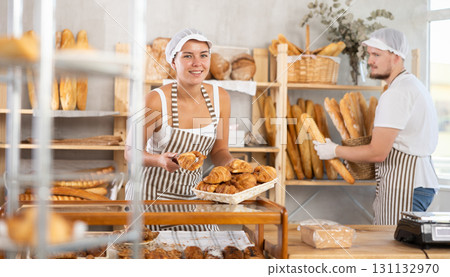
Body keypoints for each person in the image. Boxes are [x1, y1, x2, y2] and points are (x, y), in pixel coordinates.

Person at [313, 28, 439, 225]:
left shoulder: (397, 93)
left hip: (405, 186)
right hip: (417, 182)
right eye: (369, 54)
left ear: (397, 57)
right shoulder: (412, 85)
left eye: (377, 54)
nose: (370, 60)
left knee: (392, 251)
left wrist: (334, 150)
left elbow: (377, 152)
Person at [124, 28, 234, 231]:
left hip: (192, 197)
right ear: (173, 62)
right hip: (150, 199)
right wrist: (159, 160)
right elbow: (130, 152)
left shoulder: (221, 99)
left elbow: (219, 151)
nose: (197, 63)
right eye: (188, 56)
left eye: (203, 55)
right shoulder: (155, 100)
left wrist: (232, 164)